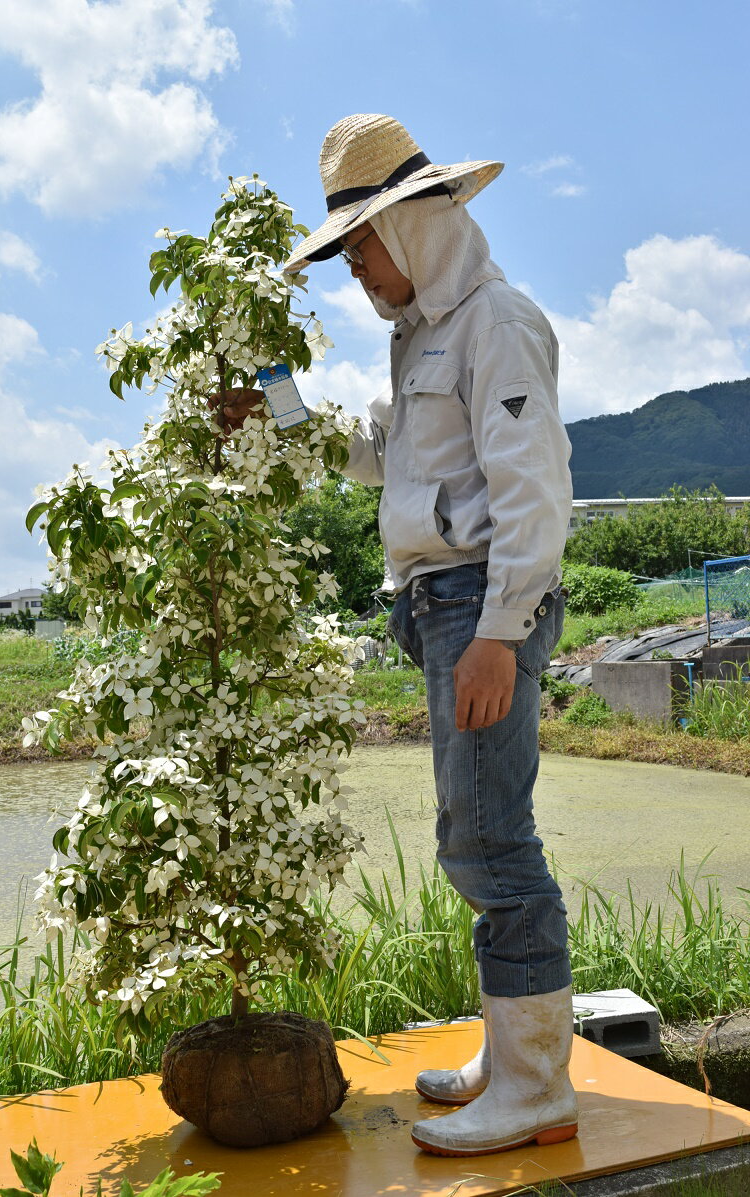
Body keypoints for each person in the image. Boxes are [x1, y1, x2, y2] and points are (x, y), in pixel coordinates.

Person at [225, 113, 577, 1158]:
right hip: (444, 604)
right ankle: (512, 1058)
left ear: (415, 225)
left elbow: (534, 492)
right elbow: (384, 456)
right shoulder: (421, 334)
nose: (356, 271)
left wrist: (499, 635)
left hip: (479, 604)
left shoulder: (494, 323)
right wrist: (274, 409)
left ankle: (535, 1087)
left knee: (487, 841)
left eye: (362, 247)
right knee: (475, 830)